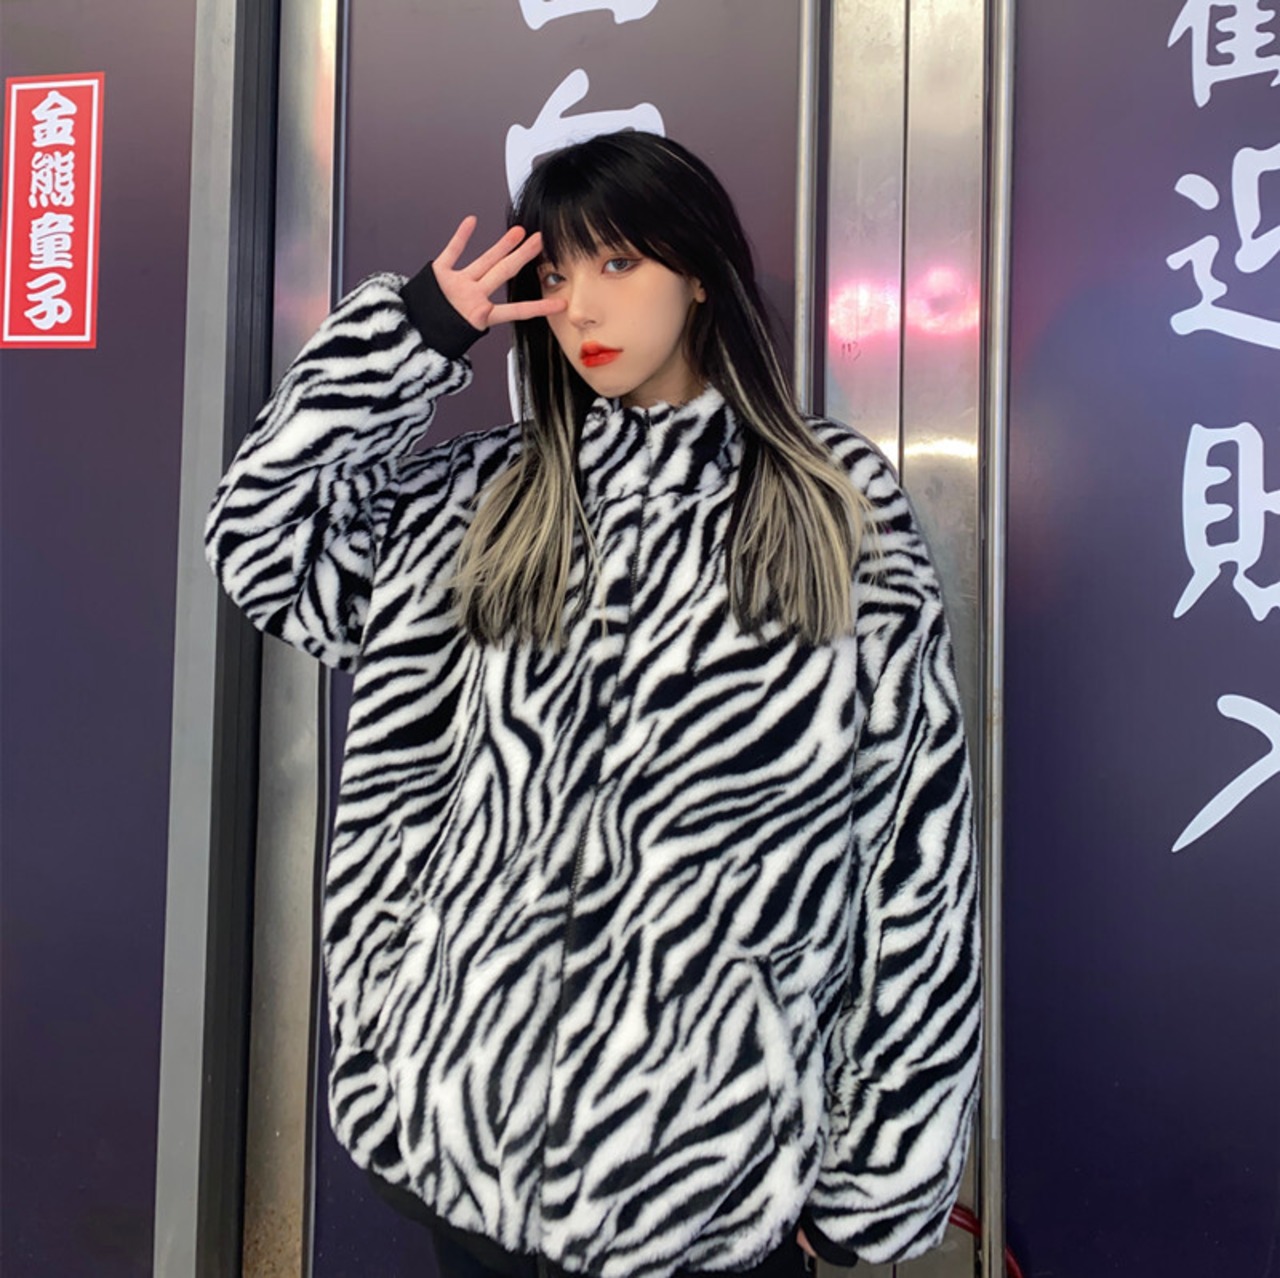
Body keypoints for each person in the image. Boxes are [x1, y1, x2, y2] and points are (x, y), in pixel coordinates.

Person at [206, 130, 980, 1278]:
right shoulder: (482, 498)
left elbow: (912, 851)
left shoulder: (828, 503)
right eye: (555, 274)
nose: (578, 307)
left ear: (699, 273)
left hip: (704, 1168)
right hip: (463, 1131)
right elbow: (263, 546)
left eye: (617, 263)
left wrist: (881, 1172)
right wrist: (415, 334)